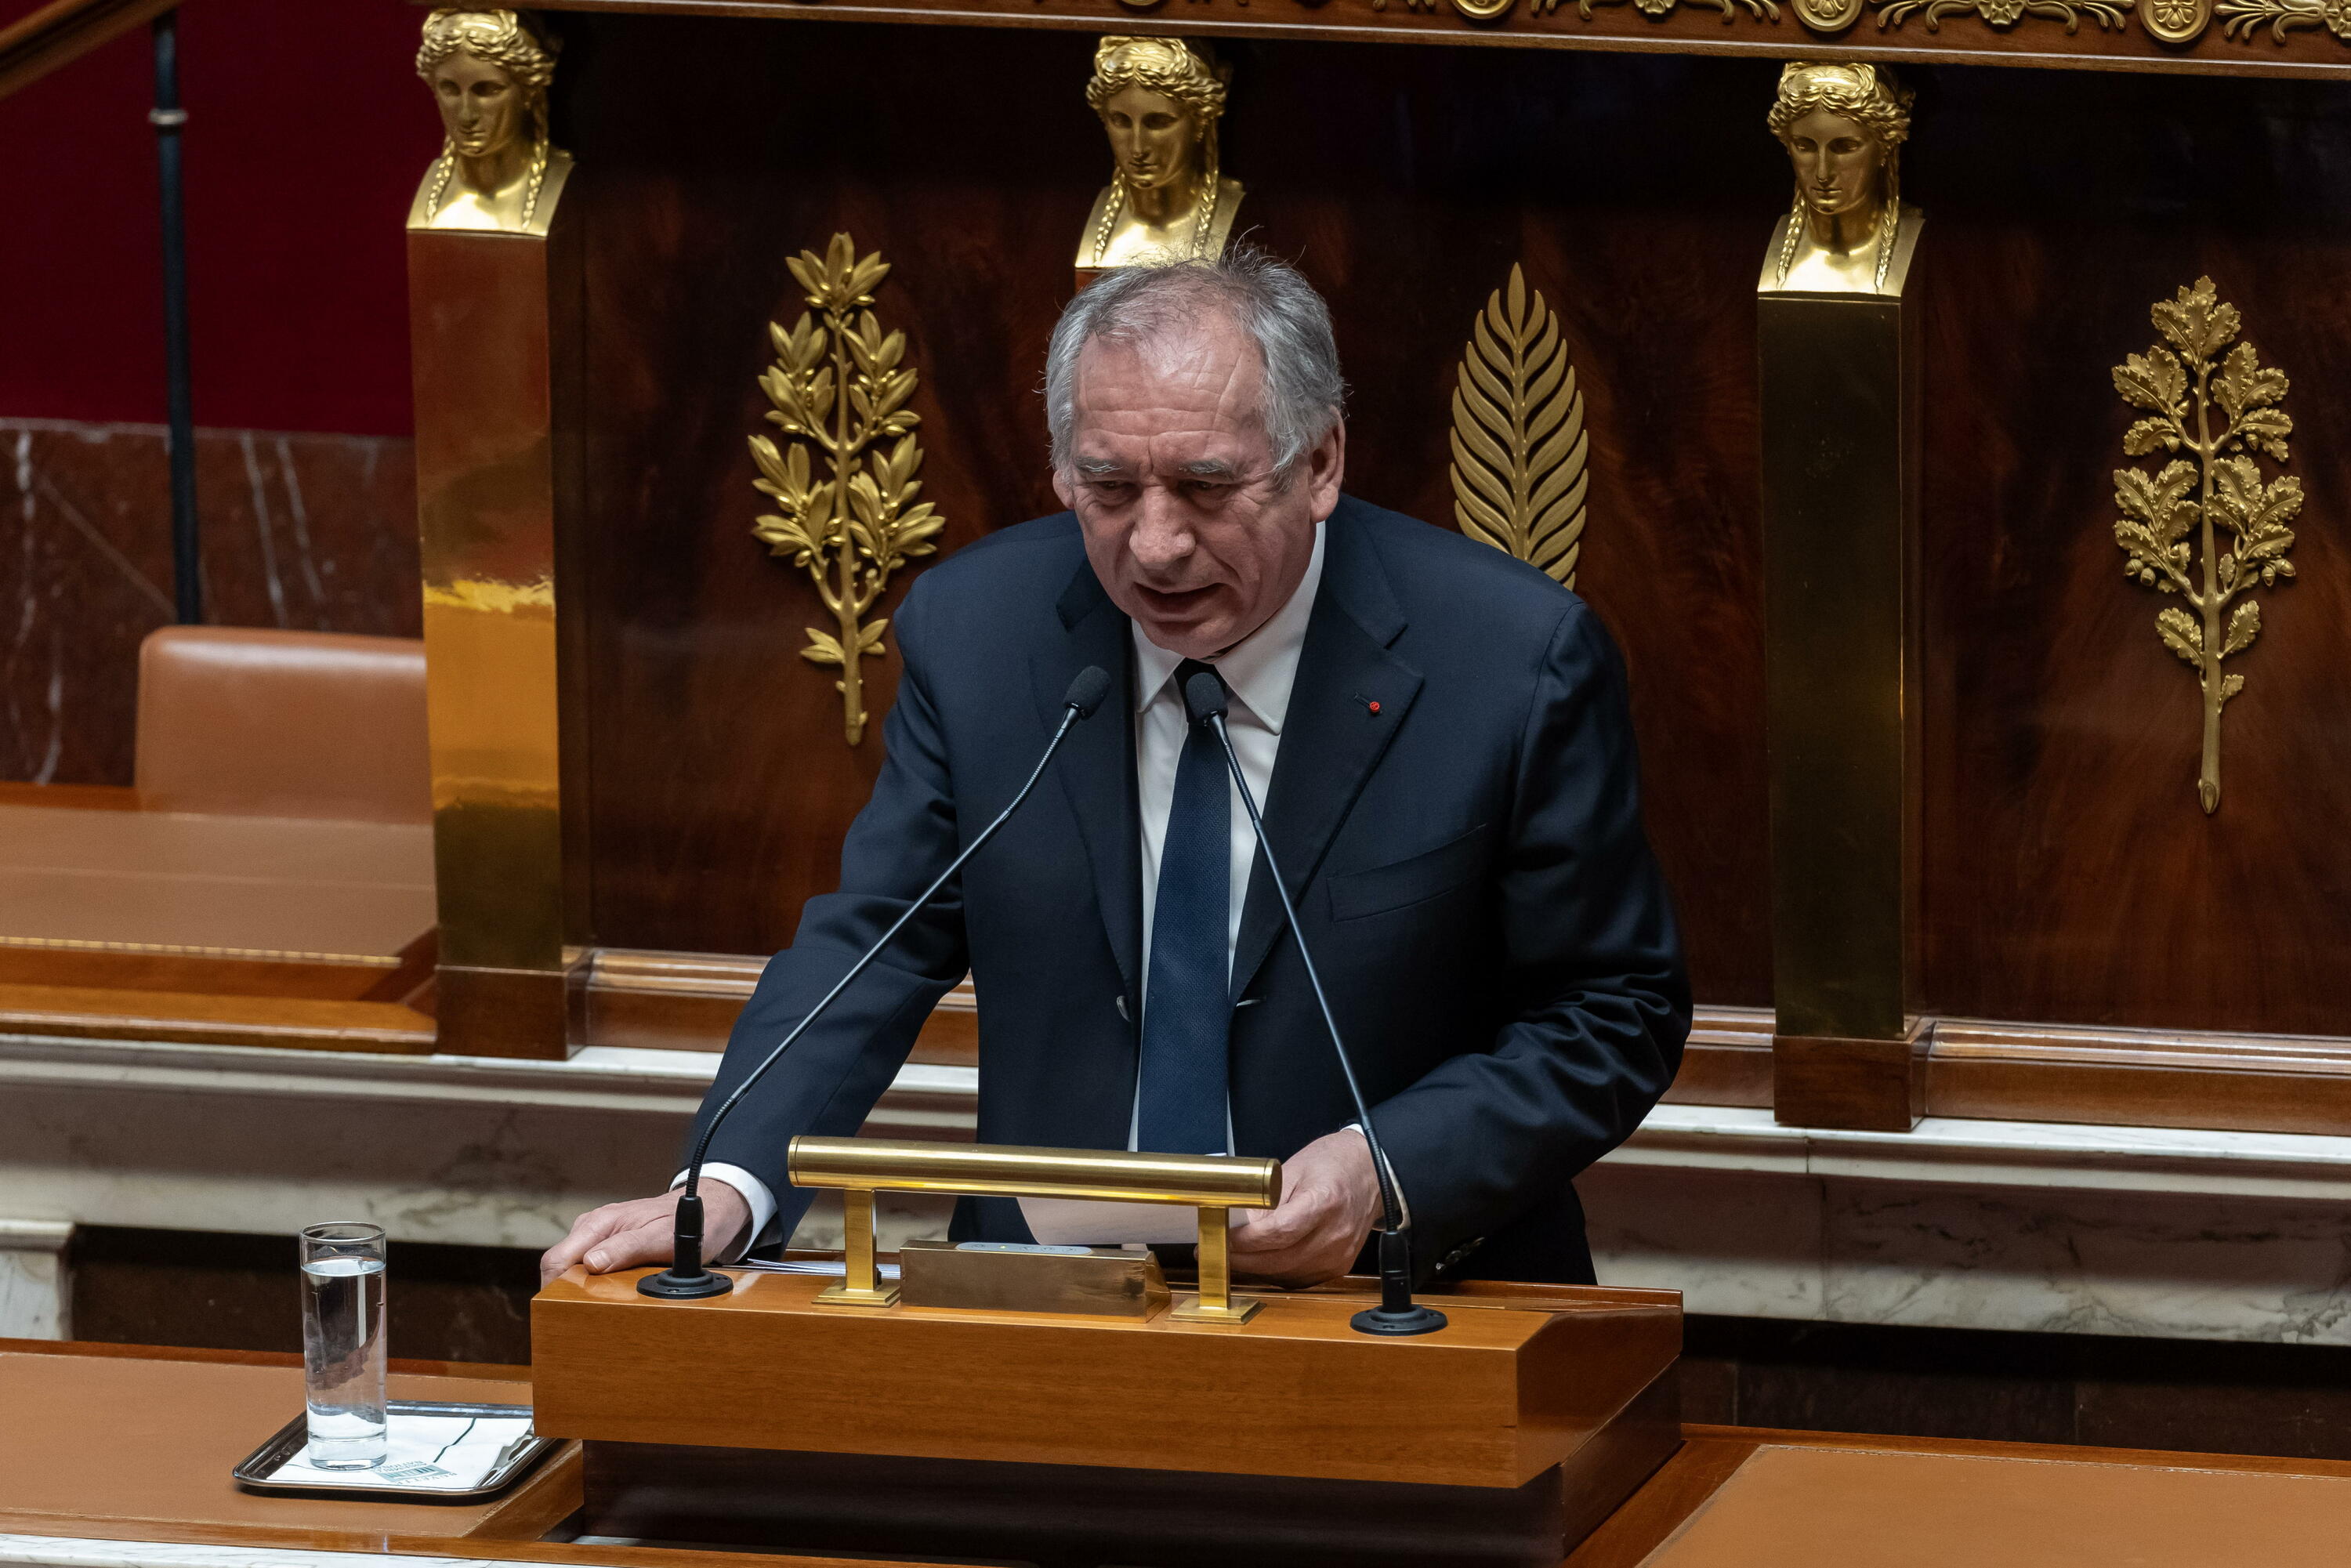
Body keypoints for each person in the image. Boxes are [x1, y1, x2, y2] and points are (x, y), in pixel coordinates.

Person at [542, 251, 1690, 1291]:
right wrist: (726, 1187)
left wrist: (1384, 1169)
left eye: (1204, 486)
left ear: (1322, 459)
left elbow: (1613, 1010)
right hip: (1046, 1302)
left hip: (1394, 1297)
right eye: (1108, 489)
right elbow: (870, 942)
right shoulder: (983, 635)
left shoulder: (1511, 660)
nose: (1155, 544)